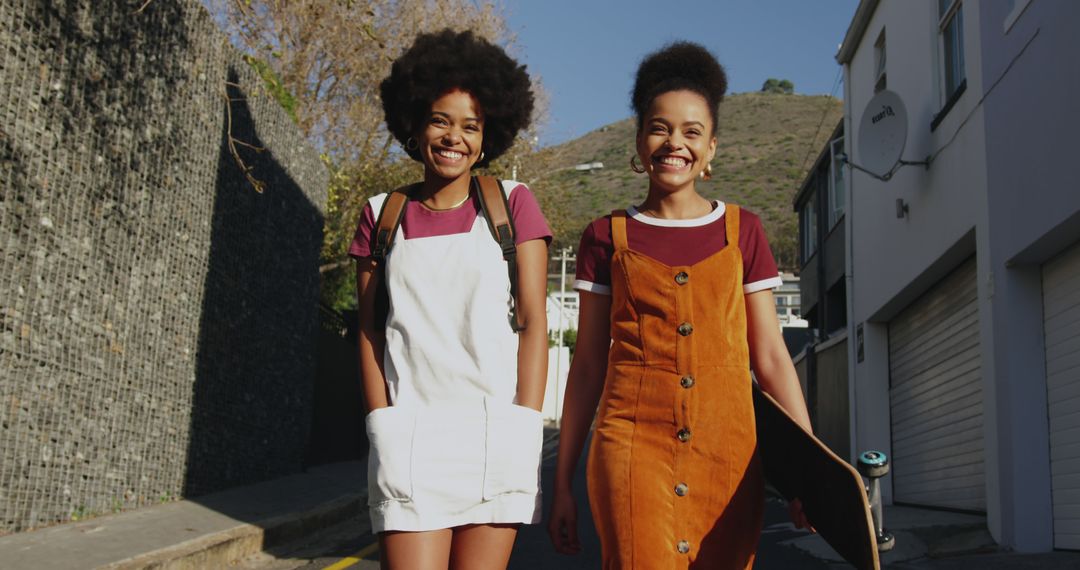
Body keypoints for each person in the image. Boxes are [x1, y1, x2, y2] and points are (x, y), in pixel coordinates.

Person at [546, 42, 813, 569]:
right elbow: (589, 365)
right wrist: (561, 484)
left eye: (693, 132)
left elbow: (772, 358)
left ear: (712, 148)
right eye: (660, 127)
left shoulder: (745, 232)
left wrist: (812, 471)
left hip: (730, 454)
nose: (675, 143)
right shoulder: (604, 237)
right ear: (640, 139)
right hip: (629, 448)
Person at [349, 29, 550, 570]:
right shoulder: (380, 215)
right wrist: (382, 424)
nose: (453, 136)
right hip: (408, 440)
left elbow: (533, 323)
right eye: (440, 119)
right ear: (415, 123)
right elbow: (369, 331)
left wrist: (524, 426)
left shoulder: (513, 206)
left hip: (494, 436)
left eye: (470, 125)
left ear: (488, 137)